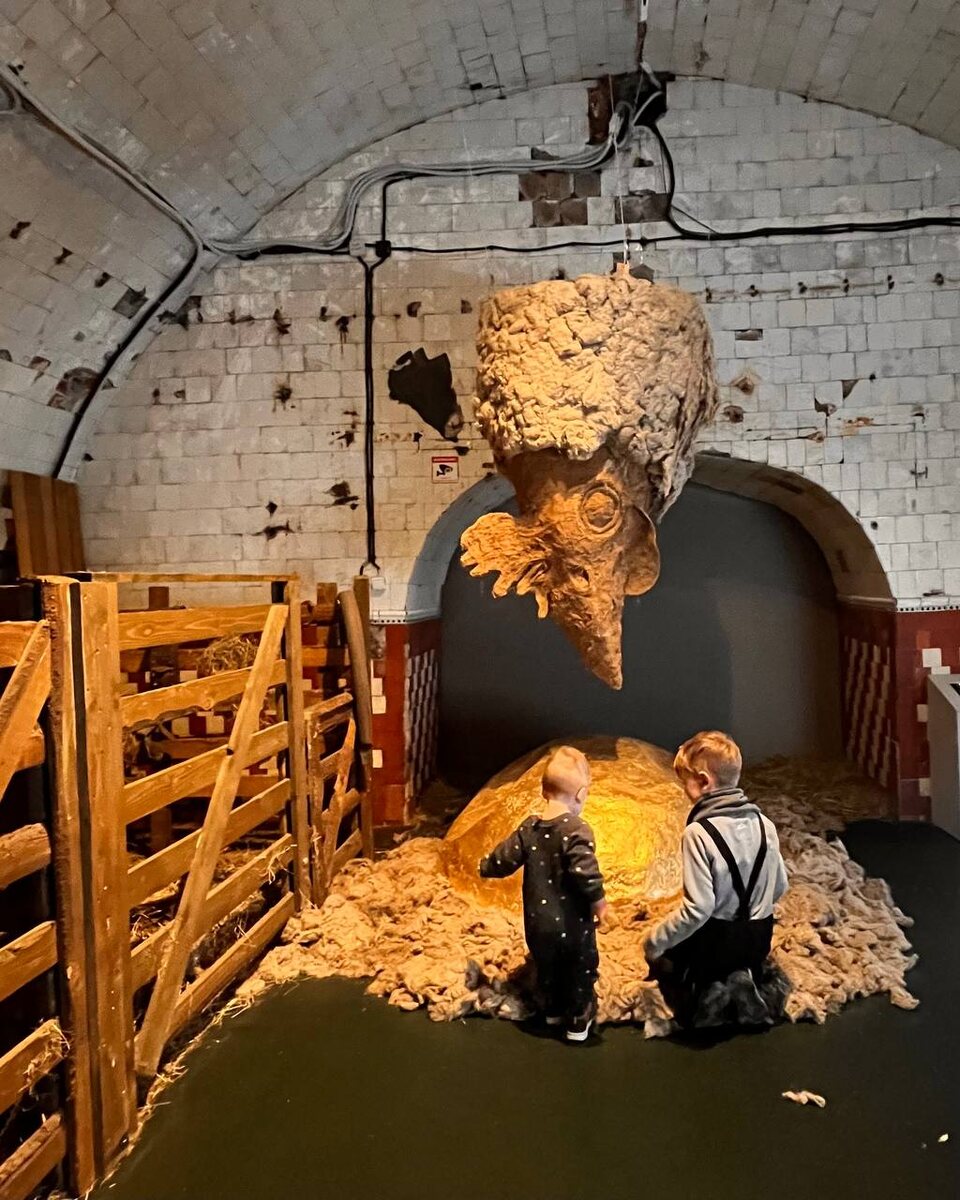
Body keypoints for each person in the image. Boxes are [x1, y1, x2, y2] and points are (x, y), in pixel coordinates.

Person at [644, 730, 789, 1027]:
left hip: (716, 941)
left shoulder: (698, 833)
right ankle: (743, 976)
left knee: (672, 958)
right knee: (740, 957)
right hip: (758, 937)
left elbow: (698, 909)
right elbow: (780, 886)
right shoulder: (765, 825)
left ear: (703, 782)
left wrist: (656, 940)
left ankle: (708, 992)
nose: (684, 791)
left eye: (685, 783)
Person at [478, 746, 608, 1042]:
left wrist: (484, 866)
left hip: (538, 923)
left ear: (542, 790)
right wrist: (599, 904)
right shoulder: (577, 830)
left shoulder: (529, 828)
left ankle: (552, 1011)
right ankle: (577, 1020)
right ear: (581, 794)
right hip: (572, 925)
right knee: (580, 968)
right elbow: (586, 873)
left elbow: (504, 858)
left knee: (547, 966)